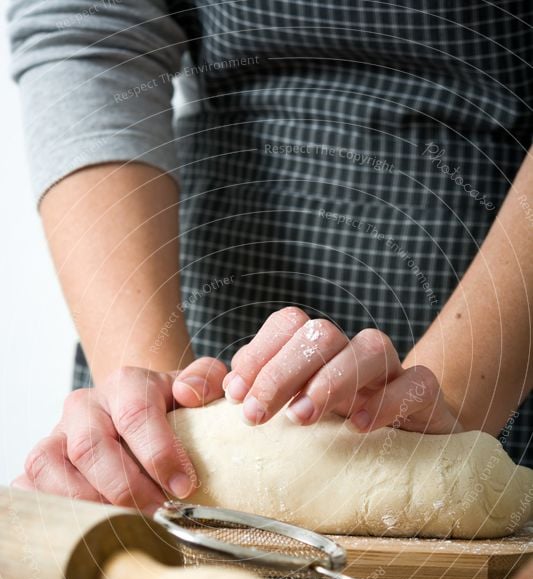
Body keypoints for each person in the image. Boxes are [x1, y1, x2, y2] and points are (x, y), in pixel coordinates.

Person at [8, 0, 533, 511]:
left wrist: (458, 400)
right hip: (190, 300)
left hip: (505, 329)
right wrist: (154, 418)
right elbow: (87, 32)